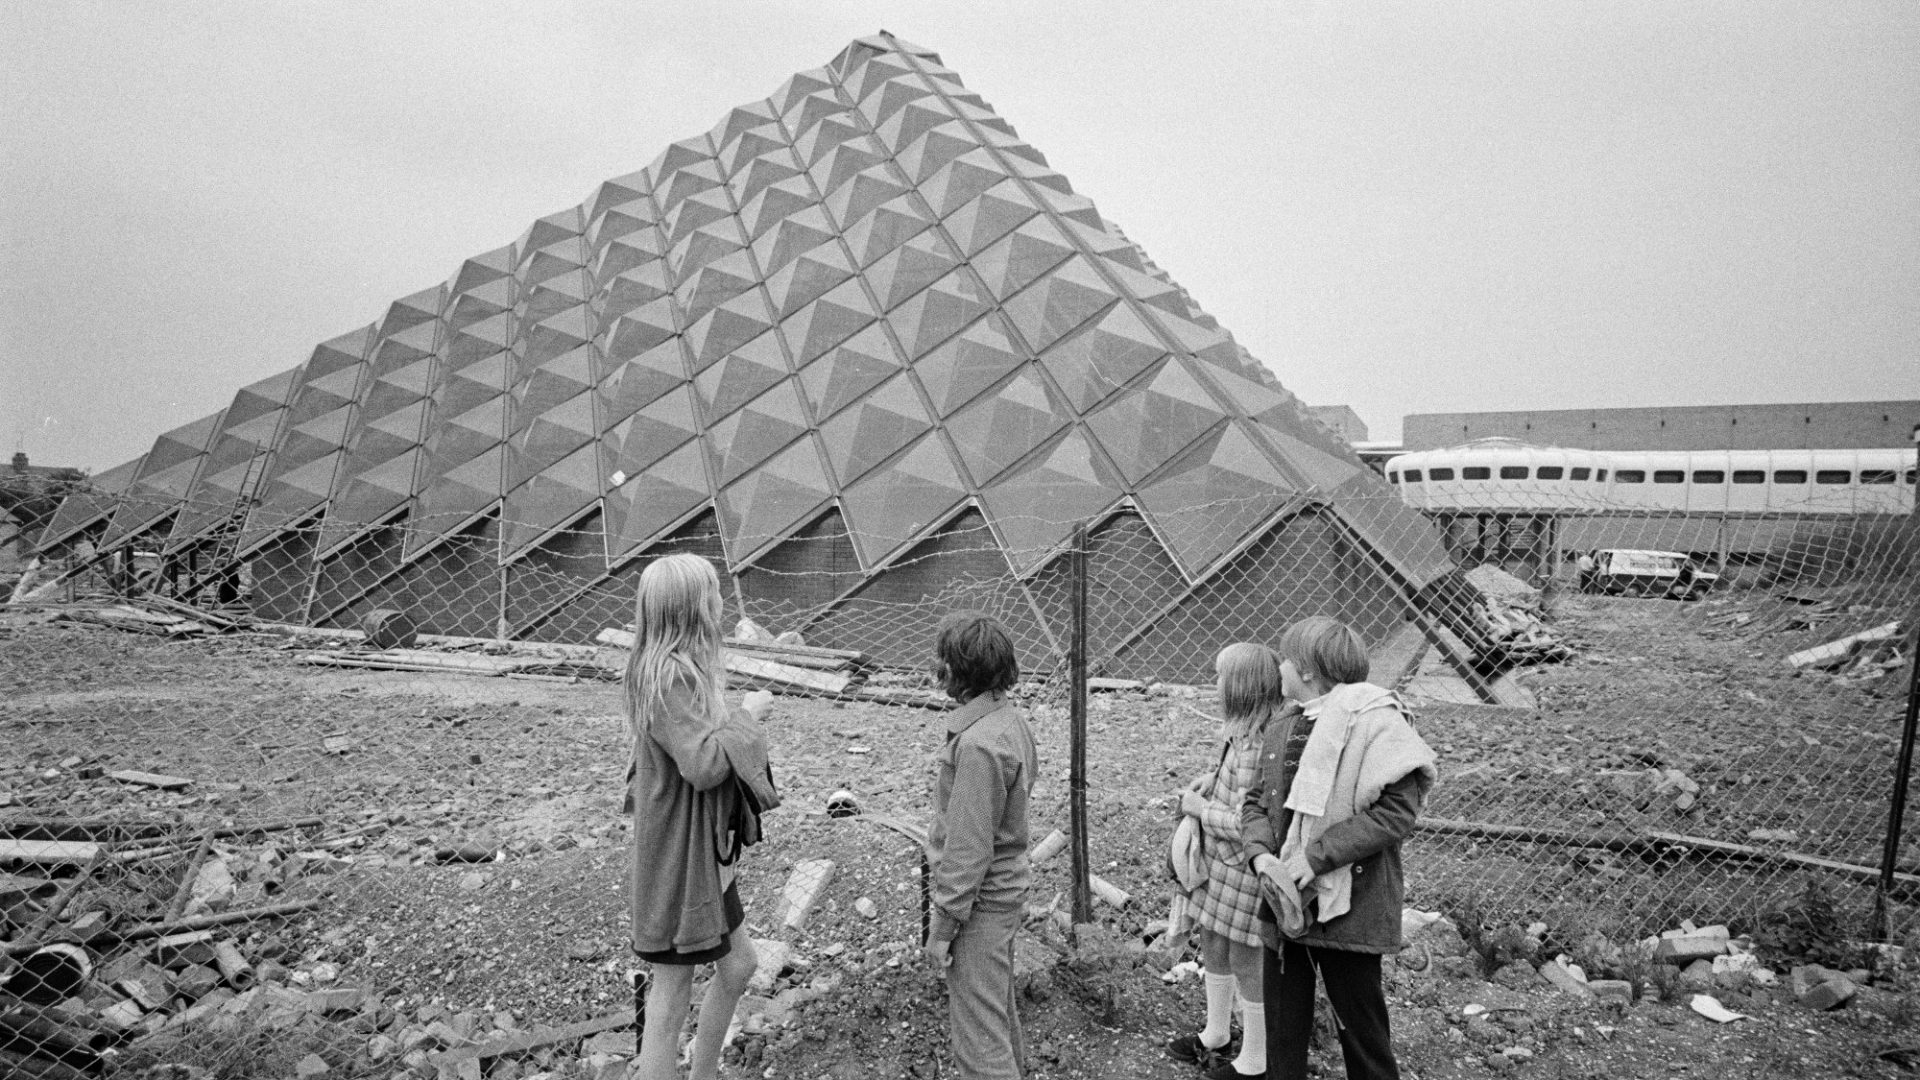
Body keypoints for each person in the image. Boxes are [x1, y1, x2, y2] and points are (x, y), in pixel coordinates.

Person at [1242, 617, 1437, 1080]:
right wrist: (1261, 855)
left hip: (1351, 907)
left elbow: (1395, 813)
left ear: (1307, 671)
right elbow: (1254, 803)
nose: (1280, 667)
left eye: (1286, 659)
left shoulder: (1377, 723)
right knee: (1282, 1032)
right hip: (1285, 902)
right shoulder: (1281, 727)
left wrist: (1314, 857)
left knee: (1361, 1029)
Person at [625, 553, 775, 1080]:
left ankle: (704, 1073)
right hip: (678, 858)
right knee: (671, 991)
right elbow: (705, 764)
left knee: (739, 964)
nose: (721, 603)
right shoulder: (667, 677)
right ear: (691, 608)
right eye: (713, 594)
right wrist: (747, 717)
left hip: (704, 854)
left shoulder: (681, 670)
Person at [922, 610, 1039, 1080]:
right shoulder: (1010, 722)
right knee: (996, 1014)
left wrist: (943, 926)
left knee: (978, 1042)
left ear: (959, 671)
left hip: (979, 906)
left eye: (943, 660)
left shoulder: (977, 745)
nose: (937, 667)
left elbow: (969, 850)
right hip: (1003, 897)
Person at [1169, 643, 1289, 1079]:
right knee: (1213, 942)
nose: (1214, 684)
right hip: (1222, 867)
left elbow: (1249, 821)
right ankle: (1216, 1033)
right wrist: (1211, 780)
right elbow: (1235, 787)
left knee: (1245, 958)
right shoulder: (1241, 733)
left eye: (1220, 677)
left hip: (1242, 867)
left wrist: (1200, 810)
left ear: (1240, 688)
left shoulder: (1260, 744)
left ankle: (1256, 1059)